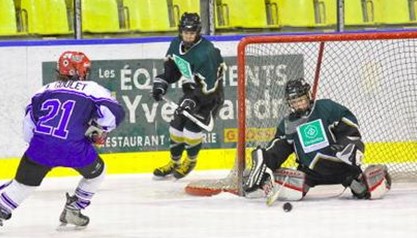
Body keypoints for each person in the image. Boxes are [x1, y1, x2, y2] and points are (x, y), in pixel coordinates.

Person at [0, 51, 125, 233]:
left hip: (41, 147)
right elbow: (115, 113)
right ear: (81, 71)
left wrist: (36, 149)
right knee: (97, 172)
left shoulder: (43, 90)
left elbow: (28, 125)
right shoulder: (93, 88)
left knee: (23, 184)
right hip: (75, 149)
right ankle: (74, 208)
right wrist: (98, 130)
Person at [243, 78, 391, 201]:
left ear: (309, 95)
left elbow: (350, 126)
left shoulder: (326, 108)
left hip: (343, 168)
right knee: (294, 193)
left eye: (301, 100)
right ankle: (261, 181)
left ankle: (377, 174)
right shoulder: (288, 124)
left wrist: (344, 144)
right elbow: (279, 148)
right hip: (310, 173)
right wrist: (266, 160)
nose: (299, 105)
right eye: (294, 102)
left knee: (366, 191)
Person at [151, 12, 226, 179]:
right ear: (180, 31)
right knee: (176, 127)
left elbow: (210, 88)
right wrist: (161, 84)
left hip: (210, 97)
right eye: (186, 32)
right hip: (191, 93)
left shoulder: (207, 53)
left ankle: (191, 161)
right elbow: (172, 72)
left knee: (191, 130)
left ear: (197, 32)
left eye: (192, 33)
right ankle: (174, 162)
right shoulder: (175, 43)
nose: (189, 36)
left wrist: (192, 101)